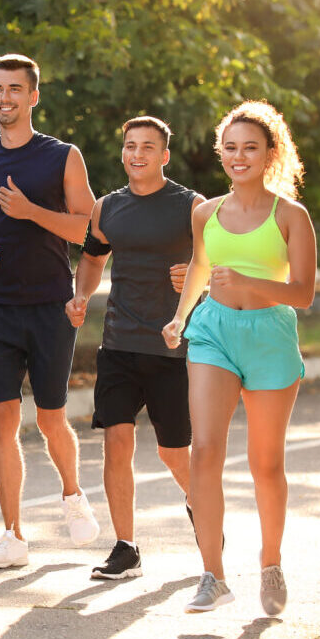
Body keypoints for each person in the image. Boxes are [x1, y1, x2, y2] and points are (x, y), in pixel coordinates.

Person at [161, 100, 316, 615]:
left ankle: (270, 563)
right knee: (204, 451)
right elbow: (202, 270)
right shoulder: (205, 212)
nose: (238, 156)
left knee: (265, 465)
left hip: (270, 336)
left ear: (270, 153)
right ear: (220, 154)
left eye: (250, 147)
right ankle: (213, 574)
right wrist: (181, 317)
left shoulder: (291, 216)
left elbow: (303, 293)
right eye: (230, 148)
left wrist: (249, 281)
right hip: (214, 334)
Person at [0, 53, 100, 568]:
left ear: (33, 96)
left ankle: (73, 494)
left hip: (49, 305)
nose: (4, 98)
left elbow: (88, 230)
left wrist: (32, 212)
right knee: (3, 416)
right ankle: (12, 536)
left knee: (51, 417)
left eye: (15, 89)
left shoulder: (63, 157)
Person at [67, 116, 204, 580]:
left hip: (173, 345)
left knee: (173, 452)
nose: (138, 154)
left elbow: (218, 261)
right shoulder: (106, 209)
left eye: (148, 147)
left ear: (164, 155)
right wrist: (82, 294)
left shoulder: (192, 206)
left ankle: (200, 504)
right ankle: (125, 547)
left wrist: (195, 276)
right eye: (130, 146)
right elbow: (91, 257)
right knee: (116, 441)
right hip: (120, 342)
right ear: (122, 153)